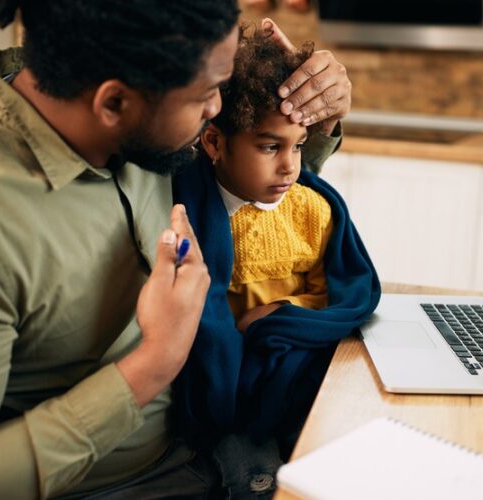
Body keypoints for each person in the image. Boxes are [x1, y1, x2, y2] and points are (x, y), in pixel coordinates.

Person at [0, 1, 354, 498]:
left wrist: (317, 113)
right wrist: (153, 364)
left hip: (218, 441)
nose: (216, 109)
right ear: (113, 104)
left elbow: (247, 186)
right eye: (206, 95)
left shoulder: (147, 121)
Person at [169, 28, 380, 496]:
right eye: (270, 147)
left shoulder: (311, 211)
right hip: (220, 399)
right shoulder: (183, 212)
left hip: (291, 372)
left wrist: (283, 312)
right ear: (213, 143)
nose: (290, 167)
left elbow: (335, 293)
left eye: (299, 145)